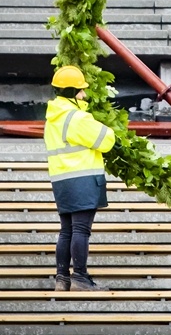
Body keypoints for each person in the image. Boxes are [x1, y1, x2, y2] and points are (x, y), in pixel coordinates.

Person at [44, 65, 116, 292]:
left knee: (67, 230)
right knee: (81, 230)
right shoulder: (76, 117)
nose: (83, 95)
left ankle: (62, 278)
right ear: (70, 92)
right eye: (80, 91)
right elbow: (107, 140)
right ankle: (81, 278)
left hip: (61, 180)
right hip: (82, 179)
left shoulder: (52, 119)